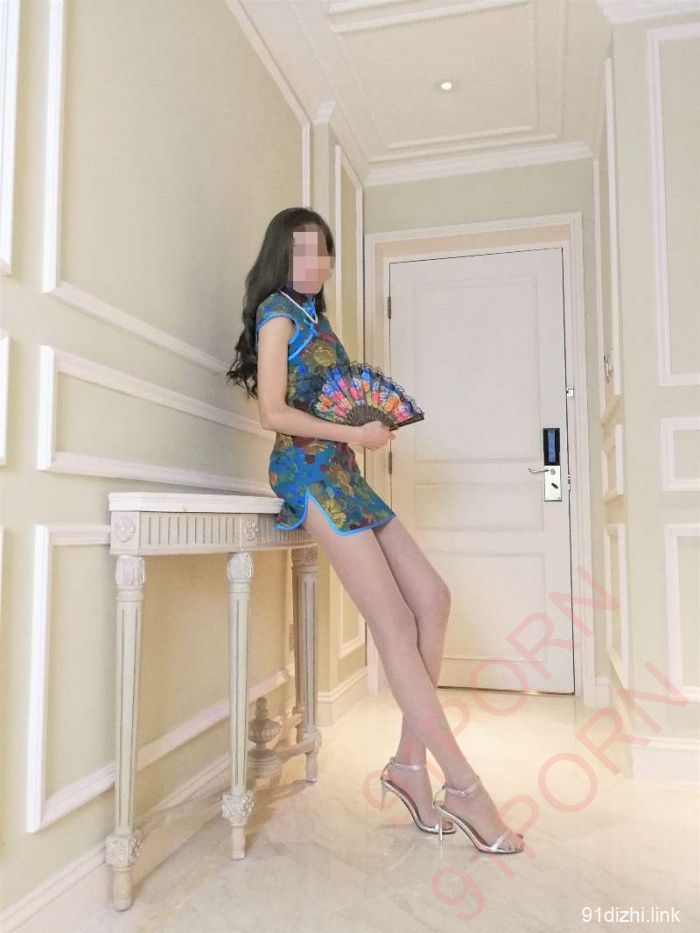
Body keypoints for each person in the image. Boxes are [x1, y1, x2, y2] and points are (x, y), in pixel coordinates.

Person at [226, 207, 525, 854]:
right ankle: (464, 785)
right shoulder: (277, 315)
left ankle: (408, 765)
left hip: (343, 471)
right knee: (391, 620)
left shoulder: (317, 319)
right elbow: (273, 412)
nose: (315, 264)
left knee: (432, 599)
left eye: (323, 252)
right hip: (307, 473)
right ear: (281, 257)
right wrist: (352, 431)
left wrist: (357, 436)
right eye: (302, 252)